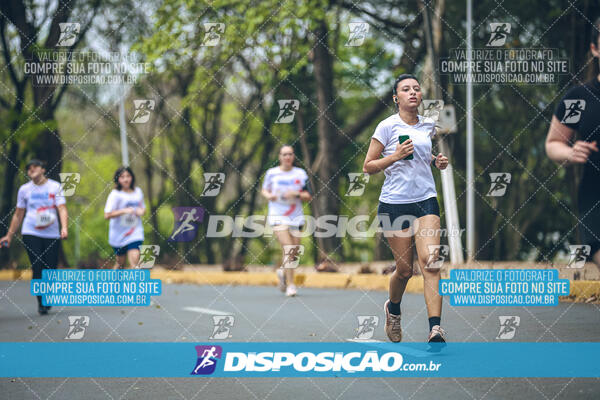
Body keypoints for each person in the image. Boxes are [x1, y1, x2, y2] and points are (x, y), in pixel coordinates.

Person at [362, 74, 449, 343]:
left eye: (416, 89)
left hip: (425, 201)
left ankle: (435, 328)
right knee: (405, 270)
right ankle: (394, 308)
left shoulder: (428, 126)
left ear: (421, 96)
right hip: (394, 204)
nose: (412, 92)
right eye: (405, 89)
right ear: (396, 97)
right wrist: (395, 156)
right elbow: (368, 165)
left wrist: (437, 160)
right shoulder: (386, 127)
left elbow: (422, 154)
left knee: (431, 264)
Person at [545, 18, 600, 271]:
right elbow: (553, 143)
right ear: (594, 49)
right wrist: (570, 151)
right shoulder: (578, 98)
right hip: (594, 195)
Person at [0, 160, 68, 315]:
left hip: (51, 233)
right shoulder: (24, 190)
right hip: (31, 232)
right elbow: (18, 214)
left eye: (35, 167)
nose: (31, 170)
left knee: (50, 268)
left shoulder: (55, 186)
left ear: (43, 169)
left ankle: (48, 295)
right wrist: (9, 236)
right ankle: (41, 302)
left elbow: (62, 208)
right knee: (37, 266)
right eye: (28, 168)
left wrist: (64, 228)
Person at [261, 145, 312, 297]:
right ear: (279, 157)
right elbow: (264, 190)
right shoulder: (272, 173)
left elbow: (309, 195)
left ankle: (283, 272)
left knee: (294, 252)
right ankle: (291, 285)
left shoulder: (301, 174)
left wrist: (295, 193)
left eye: (290, 154)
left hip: (295, 216)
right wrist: (268, 196)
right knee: (288, 248)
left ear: (293, 157)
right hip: (278, 215)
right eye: (284, 154)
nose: (287, 157)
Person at [104, 167, 145, 269]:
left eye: (128, 176)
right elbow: (107, 215)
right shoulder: (115, 195)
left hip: (135, 232)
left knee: (135, 260)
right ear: (118, 179)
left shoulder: (138, 192)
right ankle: (114, 283)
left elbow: (143, 208)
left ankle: (133, 284)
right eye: (122, 177)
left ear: (132, 177)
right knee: (120, 263)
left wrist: (142, 211)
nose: (126, 179)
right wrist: (124, 211)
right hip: (118, 234)